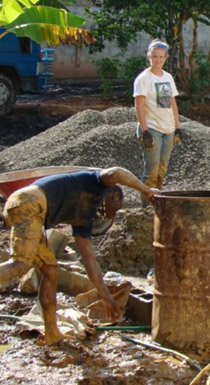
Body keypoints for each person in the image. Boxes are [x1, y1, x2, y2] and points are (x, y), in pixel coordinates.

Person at [0, 167, 158, 345]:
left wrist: (106, 298)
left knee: (51, 271)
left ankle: (52, 334)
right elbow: (117, 172)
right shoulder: (96, 183)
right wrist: (148, 191)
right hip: (29, 201)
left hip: (35, 214)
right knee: (20, 264)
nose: (115, 212)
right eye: (119, 206)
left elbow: (90, 260)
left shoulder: (84, 218)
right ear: (114, 196)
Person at [133, 39, 181, 206]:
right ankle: (146, 208)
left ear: (166, 58)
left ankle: (158, 203)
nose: (157, 59)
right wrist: (145, 131)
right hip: (152, 128)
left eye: (161, 56)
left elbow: (171, 103)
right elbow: (139, 107)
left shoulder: (167, 77)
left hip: (168, 129)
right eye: (154, 56)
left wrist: (177, 127)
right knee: (151, 171)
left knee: (162, 170)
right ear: (149, 56)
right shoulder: (143, 79)